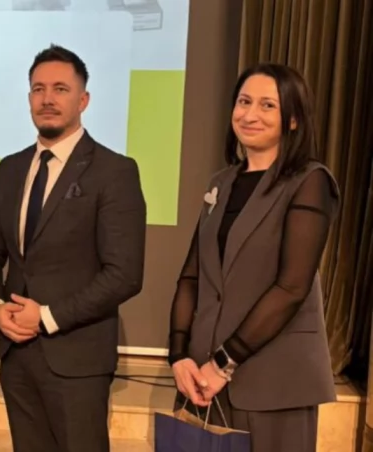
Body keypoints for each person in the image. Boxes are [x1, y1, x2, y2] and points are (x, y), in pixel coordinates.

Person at [0, 44, 147, 452]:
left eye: (60, 89)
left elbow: (124, 274)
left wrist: (48, 316)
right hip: (16, 356)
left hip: (77, 359)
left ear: (83, 100)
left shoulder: (114, 171)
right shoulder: (9, 168)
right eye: (38, 89)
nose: (47, 99)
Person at [167, 63, 340, 452]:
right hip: (202, 379)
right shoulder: (221, 182)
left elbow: (291, 288)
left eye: (267, 105)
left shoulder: (309, 181)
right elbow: (192, 277)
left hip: (272, 380)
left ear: (293, 119)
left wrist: (222, 363)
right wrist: (178, 355)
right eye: (244, 102)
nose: (250, 114)